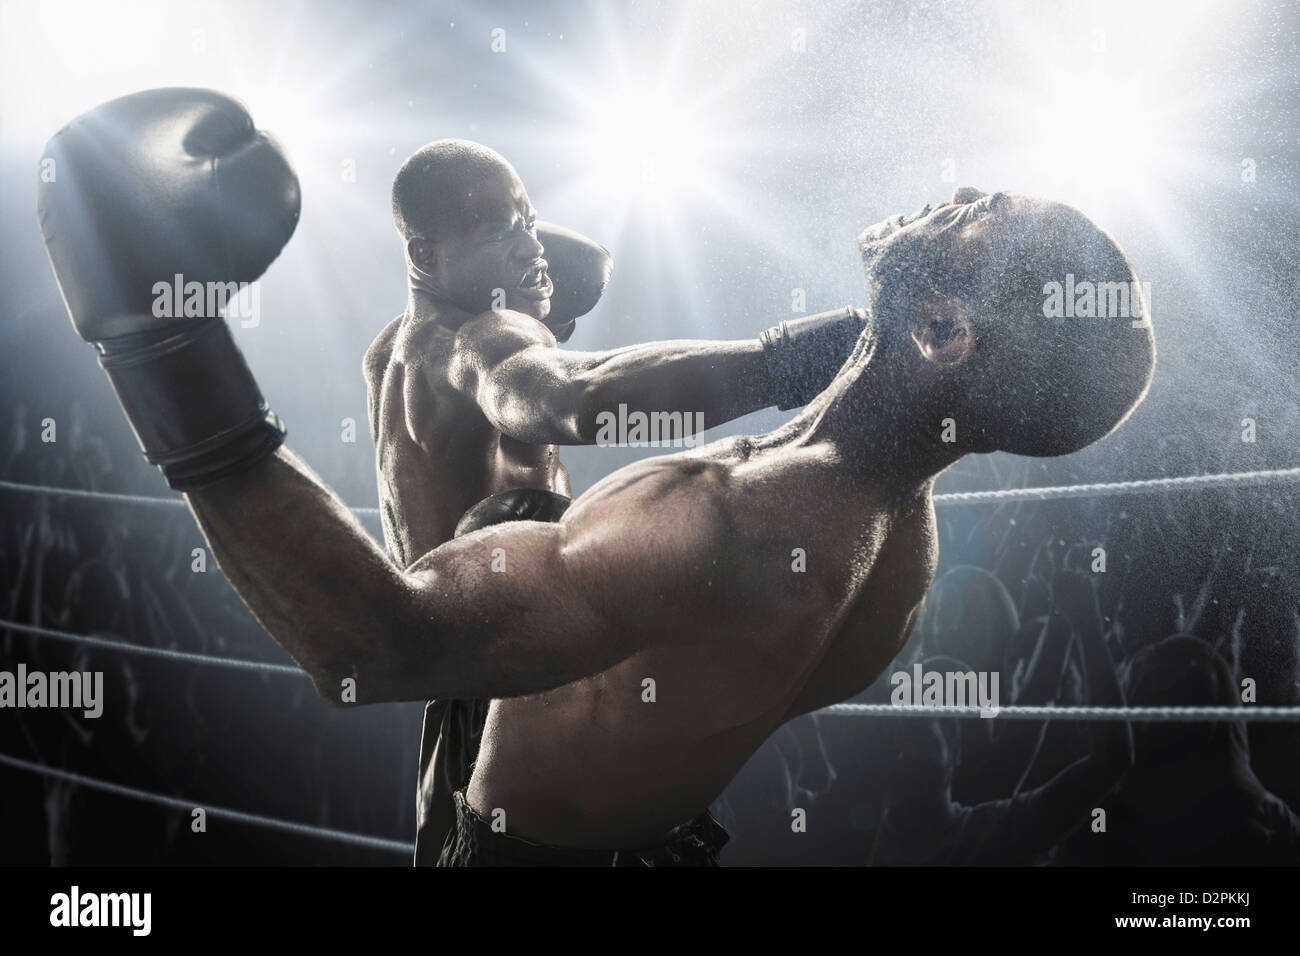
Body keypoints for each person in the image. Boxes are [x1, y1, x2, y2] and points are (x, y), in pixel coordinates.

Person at [39, 88, 1156, 865]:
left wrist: (155, 346)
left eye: (980, 214)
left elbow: (370, 648)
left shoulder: (730, 519)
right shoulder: (894, 546)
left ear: (946, 327)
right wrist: (829, 349)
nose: (957, 189)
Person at [372, 139, 876, 861]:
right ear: (423, 251)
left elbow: (573, 270)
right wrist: (789, 360)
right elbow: (575, 398)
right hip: (524, 686)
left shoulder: (395, 348)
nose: (530, 245)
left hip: (462, 692)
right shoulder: (479, 339)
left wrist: (514, 244)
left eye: (531, 220)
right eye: (496, 232)